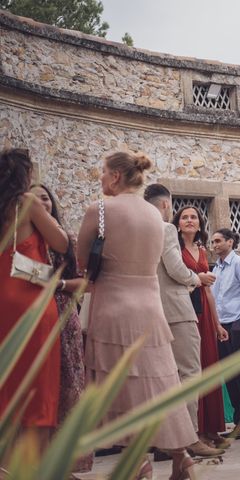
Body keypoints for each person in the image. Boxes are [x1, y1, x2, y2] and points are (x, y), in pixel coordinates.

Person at [77, 151, 197, 479]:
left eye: (103, 172)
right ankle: (181, 456)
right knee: (162, 384)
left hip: (113, 308)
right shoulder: (155, 216)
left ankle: (139, 460)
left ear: (116, 175)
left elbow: (83, 264)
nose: (100, 178)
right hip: (151, 310)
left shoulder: (99, 209)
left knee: (122, 386)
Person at [144, 184, 225, 458]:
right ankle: (188, 438)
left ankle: (165, 443)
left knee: (162, 378)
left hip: (150, 310)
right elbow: (176, 268)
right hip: (177, 308)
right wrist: (197, 279)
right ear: (167, 205)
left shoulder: (137, 228)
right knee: (189, 373)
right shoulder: (165, 229)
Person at [0, 149, 68, 449]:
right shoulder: (25, 203)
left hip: (3, 299)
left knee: (8, 378)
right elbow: (61, 242)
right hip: (30, 300)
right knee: (38, 381)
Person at [30, 183, 93, 471]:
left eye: (45, 197)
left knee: (67, 388)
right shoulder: (20, 238)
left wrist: (59, 284)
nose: (40, 202)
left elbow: (85, 282)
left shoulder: (66, 240)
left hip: (62, 317)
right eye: (34, 197)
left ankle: (66, 465)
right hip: (27, 319)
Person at [172, 205, 230, 449]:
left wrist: (217, 323)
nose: (189, 220)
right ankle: (194, 431)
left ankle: (211, 428)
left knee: (209, 365)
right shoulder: (174, 249)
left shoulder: (202, 250)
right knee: (190, 369)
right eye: (184, 217)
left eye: (193, 217)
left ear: (199, 223)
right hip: (184, 310)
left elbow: (208, 290)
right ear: (177, 223)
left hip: (204, 311)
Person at [211, 228, 240, 439]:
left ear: (230, 242)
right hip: (222, 328)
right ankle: (239, 423)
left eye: (219, 241)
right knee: (231, 377)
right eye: (213, 242)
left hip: (239, 325)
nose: (215, 245)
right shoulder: (216, 269)